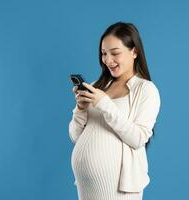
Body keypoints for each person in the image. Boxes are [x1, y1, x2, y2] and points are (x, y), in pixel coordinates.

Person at [68, 21, 161, 200]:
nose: (108, 60)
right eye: (103, 54)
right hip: (87, 186)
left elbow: (138, 138)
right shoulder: (97, 86)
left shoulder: (146, 90)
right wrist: (80, 109)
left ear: (134, 52)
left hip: (119, 188)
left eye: (115, 53)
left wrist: (104, 104)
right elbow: (75, 136)